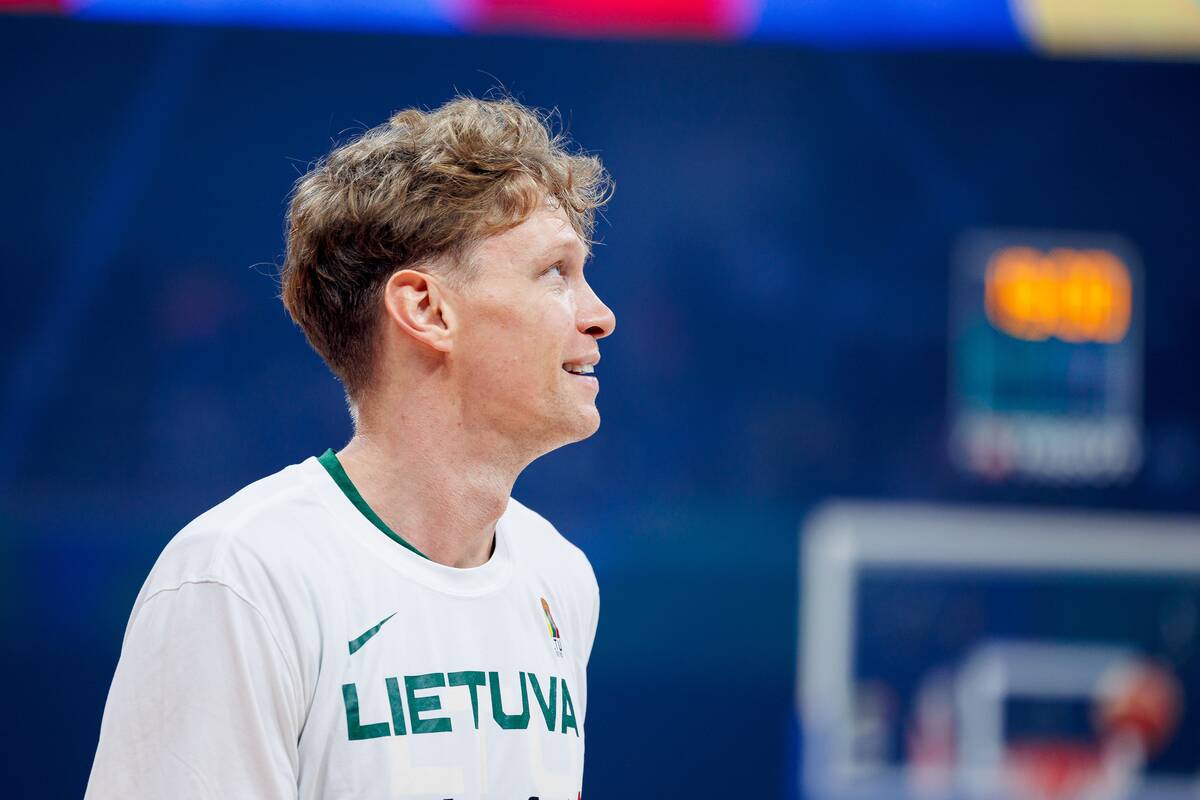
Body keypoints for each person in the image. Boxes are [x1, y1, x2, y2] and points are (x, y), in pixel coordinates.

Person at [86, 96, 615, 800]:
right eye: (555, 273)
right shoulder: (240, 579)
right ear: (425, 308)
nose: (600, 316)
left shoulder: (559, 576)